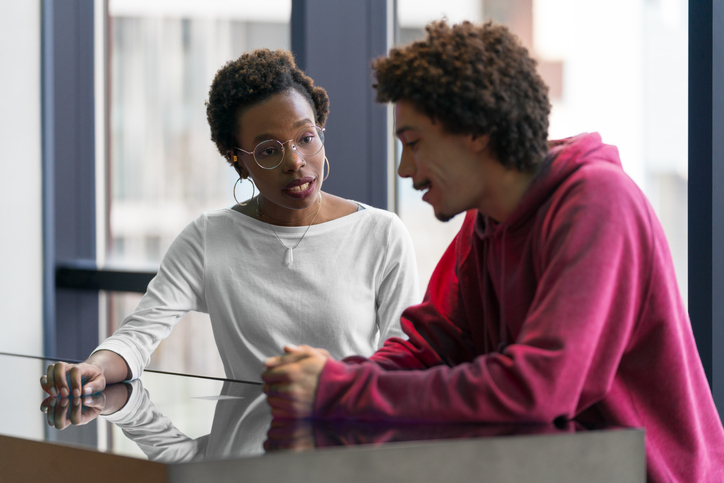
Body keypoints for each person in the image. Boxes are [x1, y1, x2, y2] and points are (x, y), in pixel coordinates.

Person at [261, 21, 724, 482]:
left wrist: (343, 390)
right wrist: (325, 378)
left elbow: (537, 390)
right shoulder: (485, 221)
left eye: (414, 143)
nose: (405, 169)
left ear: (476, 131)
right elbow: (430, 349)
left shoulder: (599, 202)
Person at [40, 49, 419, 398]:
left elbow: (403, 360)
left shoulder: (381, 234)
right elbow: (138, 336)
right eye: (269, 150)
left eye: (306, 138)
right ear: (239, 161)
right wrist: (94, 368)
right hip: (244, 458)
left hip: (347, 451)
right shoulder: (208, 238)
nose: (295, 162)